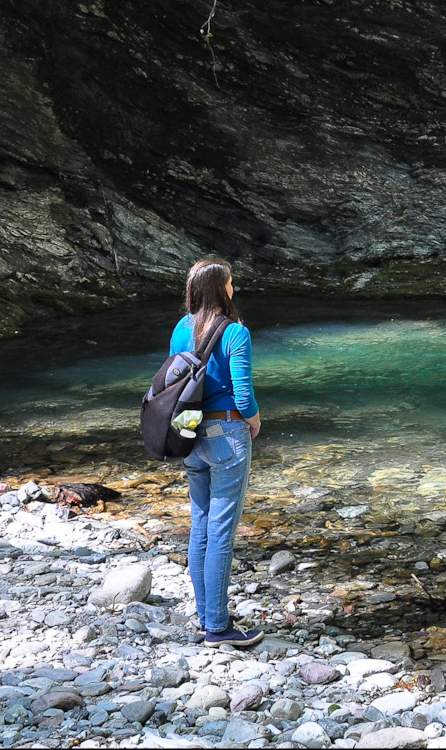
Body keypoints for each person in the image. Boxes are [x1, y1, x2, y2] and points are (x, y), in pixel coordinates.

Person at [171, 256, 263, 648]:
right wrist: (255, 421)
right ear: (219, 288)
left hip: (188, 432)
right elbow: (243, 396)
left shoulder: (180, 328)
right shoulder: (235, 332)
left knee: (201, 526)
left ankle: (207, 617)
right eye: (230, 282)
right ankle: (219, 628)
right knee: (221, 532)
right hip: (226, 434)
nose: (233, 288)